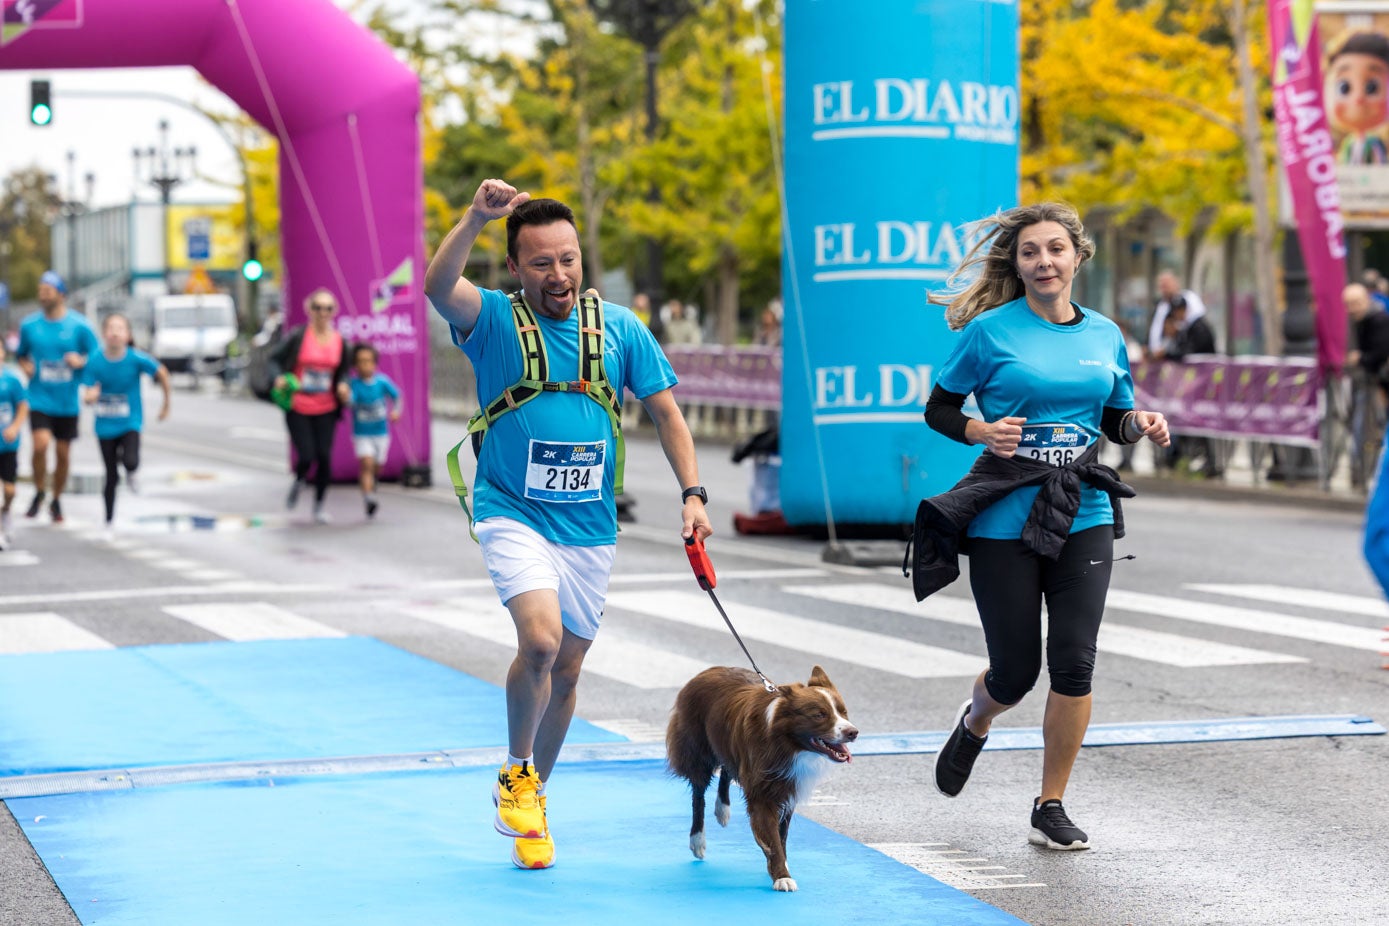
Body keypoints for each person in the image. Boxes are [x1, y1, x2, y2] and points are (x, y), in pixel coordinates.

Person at [424, 178, 712, 871]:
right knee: (542, 643)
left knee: (571, 668)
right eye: (542, 262)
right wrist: (472, 218)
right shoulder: (490, 319)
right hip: (511, 511)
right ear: (516, 268)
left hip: (589, 525)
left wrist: (694, 494)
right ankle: (516, 771)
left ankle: (534, 804)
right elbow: (437, 286)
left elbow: (666, 413)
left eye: (569, 259)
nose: (559, 274)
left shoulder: (619, 328)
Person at [920, 202, 1169, 851]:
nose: (1043, 261)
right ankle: (975, 721)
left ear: (1075, 256)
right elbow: (938, 407)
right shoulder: (989, 332)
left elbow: (1113, 415)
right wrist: (977, 429)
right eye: (1030, 252)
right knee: (1014, 672)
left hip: (1080, 510)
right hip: (1004, 515)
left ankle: (1049, 803)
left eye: (1054, 249)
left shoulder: (1104, 335)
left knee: (1074, 664)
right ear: (1018, 264)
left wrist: (1136, 423)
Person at [14, 271, 99, 524]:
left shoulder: (80, 326)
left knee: (62, 454)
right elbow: (21, 354)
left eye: (48, 291)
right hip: (39, 397)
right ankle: (40, 490)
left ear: (61, 295)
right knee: (40, 445)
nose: (43, 295)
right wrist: (25, 366)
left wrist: (80, 361)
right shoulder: (29, 325)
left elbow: (96, 359)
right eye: (40, 291)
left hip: (67, 401)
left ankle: (57, 498)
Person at [81, 314, 171, 532]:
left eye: (120, 328)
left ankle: (131, 472)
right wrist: (91, 396)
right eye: (110, 328)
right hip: (105, 426)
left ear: (128, 335)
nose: (114, 332)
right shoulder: (95, 360)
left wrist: (166, 405)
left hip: (130, 421)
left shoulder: (136, 359)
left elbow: (162, 373)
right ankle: (108, 521)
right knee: (111, 475)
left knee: (130, 460)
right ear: (104, 334)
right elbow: (87, 392)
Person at [269, 289, 351, 524]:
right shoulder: (298, 336)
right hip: (298, 404)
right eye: (317, 307)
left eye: (327, 308)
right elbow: (275, 358)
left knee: (324, 457)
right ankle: (299, 479)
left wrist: (343, 386)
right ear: (309, 310)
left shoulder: (340, 342)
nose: (322, 312)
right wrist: (279, 377)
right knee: (306, 454)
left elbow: (343, 373)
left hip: (326, 406)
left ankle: (318, 506)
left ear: (333, 312)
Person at [341, 342, 401, 520]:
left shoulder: (382, 382)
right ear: (355, 365)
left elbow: (396, 396)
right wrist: (345, 397)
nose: (364, 365)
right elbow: (350, 402)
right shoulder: (354, 384)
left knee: (377, 466)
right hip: (362, 434)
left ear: (375, 363)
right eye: (360, 361)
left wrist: (396, 411)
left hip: (381, 434)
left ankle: (373, 483)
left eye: (368, 361)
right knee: (366, 464)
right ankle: (369, 499)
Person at [1325, 31, 1389, 165]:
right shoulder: (1348, 144)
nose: (1358, 99)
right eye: (1344, 87)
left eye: (1372, 88)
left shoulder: (1375, 143)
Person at [0, 339, 30, 550]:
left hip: (7, 445)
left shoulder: (11, 380)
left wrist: (15, 427)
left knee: (9, 490)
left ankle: (7, 511)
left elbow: (22, 406)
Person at [1146, 270, 1206, 356]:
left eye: (1166, 285)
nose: (1164, 289)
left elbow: (1194, 328)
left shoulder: (1190, 299)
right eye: (1162, 286)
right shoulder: (1160, 306)